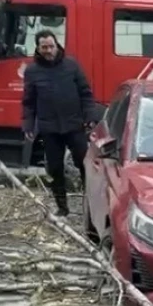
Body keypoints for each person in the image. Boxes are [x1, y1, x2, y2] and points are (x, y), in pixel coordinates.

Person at [22, 30, 97, 217]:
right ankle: (62, 208)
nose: (48, 50)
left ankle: (91, 204)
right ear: (38, 49)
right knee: (55, 169)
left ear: (57, 45)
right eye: (44, 47)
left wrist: (89, 117)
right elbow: (28, 102)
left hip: (74, 125)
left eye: (51, 46)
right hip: (50, 129)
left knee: (84, 165)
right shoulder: (32, 71)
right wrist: (28, 125)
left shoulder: (71, 65)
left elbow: (85, 93)